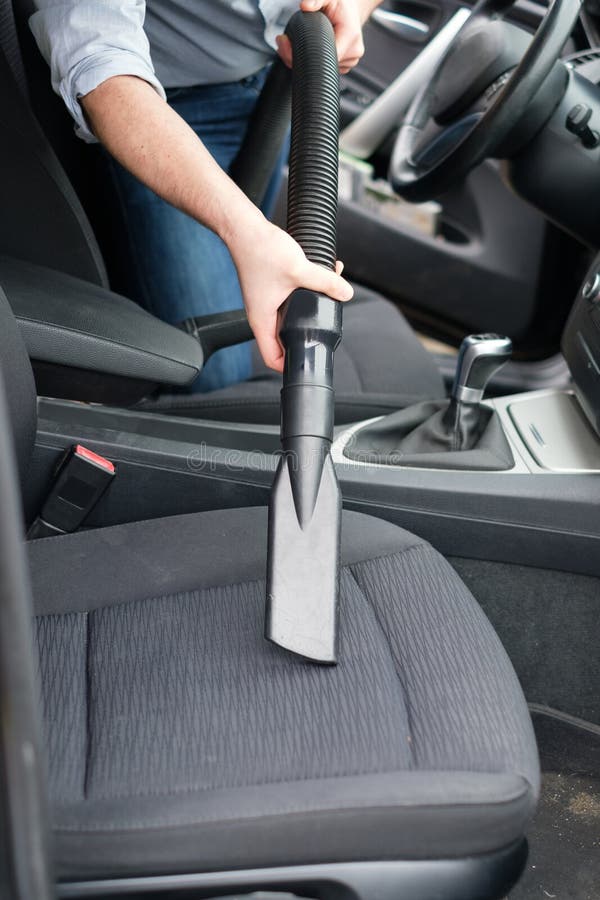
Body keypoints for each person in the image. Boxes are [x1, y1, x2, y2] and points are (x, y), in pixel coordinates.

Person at [30, 0, 380, 390]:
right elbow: (101, 66)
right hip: (159, 116)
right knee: (214, 372)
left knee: (253, 287)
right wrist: (247, 233)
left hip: (273, 89)